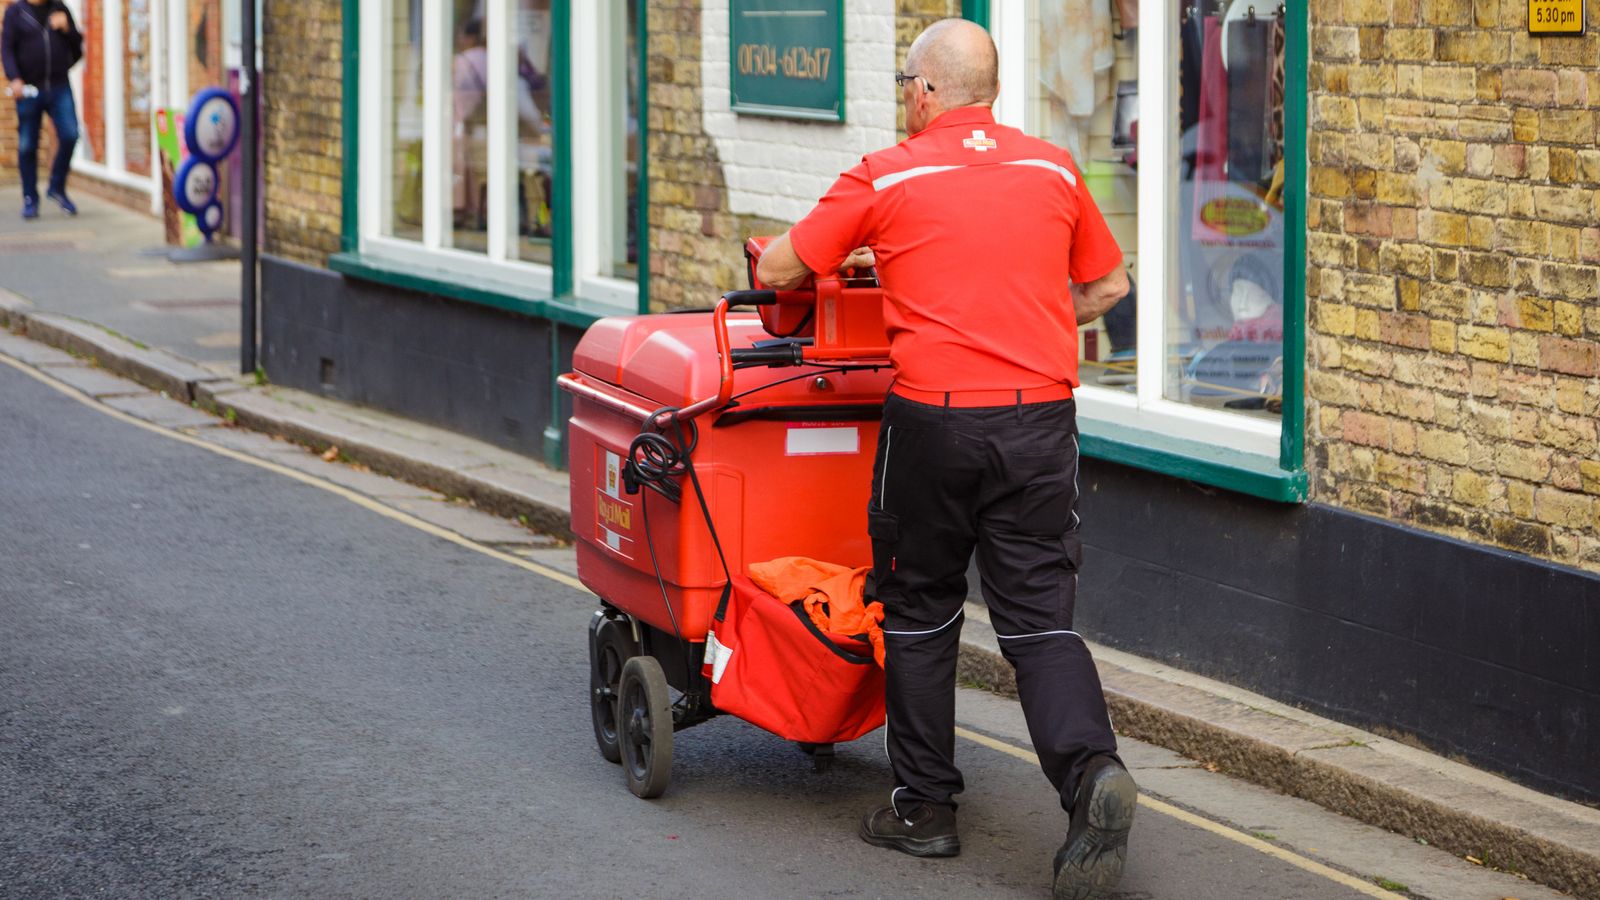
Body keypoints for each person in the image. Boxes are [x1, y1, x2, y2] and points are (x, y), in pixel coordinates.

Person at [755, 18, 1136, 899]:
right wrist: (1028, 322)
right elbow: (1110, 286)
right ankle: (1090, 778)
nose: (903, 97)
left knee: (921, 607)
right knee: (1039, 619)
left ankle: (925, 809)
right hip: (1042, 422)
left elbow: (780, 266)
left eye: (903, 83)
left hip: (933, 423)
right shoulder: (1051, 166)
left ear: (925, 90)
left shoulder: (889, 172)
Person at [2, 0, 84, 220]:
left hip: (59, 86)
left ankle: (56, 187)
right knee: (28, 145)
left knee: (70, 134)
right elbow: (7, 48)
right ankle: (30, 198)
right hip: (29, 89)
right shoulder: (16, 13)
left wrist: (67, 30)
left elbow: (78, 49)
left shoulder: (60, 9)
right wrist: (15, 78)